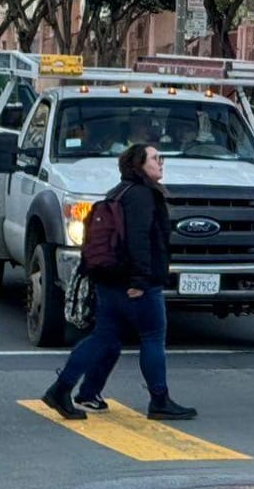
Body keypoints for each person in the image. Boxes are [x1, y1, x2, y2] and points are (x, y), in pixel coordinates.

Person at [40, 143, 195, 422]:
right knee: (152, 336)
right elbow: (138, 239)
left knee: (105, 336)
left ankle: (65, 389)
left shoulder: (118, 192)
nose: (162, 162)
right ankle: (159, 400)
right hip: (135, 281)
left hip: (109, 278)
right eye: (156, 158)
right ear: (140, 164)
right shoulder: (143, 195)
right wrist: (141, 279)